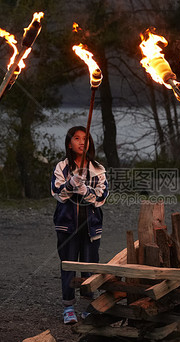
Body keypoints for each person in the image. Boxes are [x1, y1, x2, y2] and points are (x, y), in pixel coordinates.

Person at [51, 126, 108, 324]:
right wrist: (71, 183)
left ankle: (87, 307)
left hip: (91, 225)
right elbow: (58, 194)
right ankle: (68, 307)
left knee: (89, 266)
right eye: (77, 138)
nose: (82, 142)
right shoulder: (62, 167)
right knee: (68, 265)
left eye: (85, 138)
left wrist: (84, 189)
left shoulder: (98, 169)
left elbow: (101, 197)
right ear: (69, 143)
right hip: (67, 225)